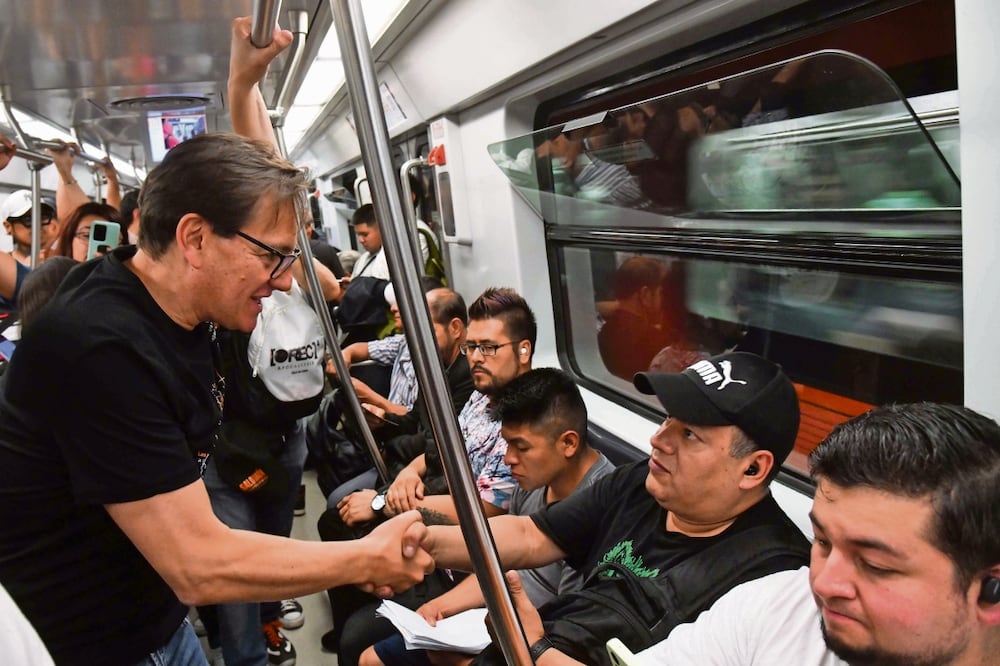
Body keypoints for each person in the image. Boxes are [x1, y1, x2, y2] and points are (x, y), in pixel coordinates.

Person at [0, 113, 431, 666]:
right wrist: (365, 558)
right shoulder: (100, 348)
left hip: (153, 616)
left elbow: (243, 199)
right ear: (195, 239)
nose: (283, 279)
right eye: (271, 257)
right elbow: (197, 564)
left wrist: (245, 90)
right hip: (91, 642)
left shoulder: (170, 297)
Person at [421, 351, 811, 665]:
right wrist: (423, 542)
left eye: (690, 434)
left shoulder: (773, 580)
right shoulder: (643, 483)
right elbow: (531, 535)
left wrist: (534, 650)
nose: (658, 439)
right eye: (668, 419)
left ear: (753, 468)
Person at [633, 401, 1000, 666]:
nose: (823, 584)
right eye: (823, 542)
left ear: (990, 591)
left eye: (875, 565)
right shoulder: (776, 608)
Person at [321, 287, 536, 663]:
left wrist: (382, 503)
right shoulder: (481, 396)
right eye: (472, 347)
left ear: (523, 350)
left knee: (356, 638)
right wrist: (410, 471)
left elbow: (486, 510)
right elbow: (447, 449)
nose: (476, 358)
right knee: (339, 526)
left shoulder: (527, 421)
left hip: (464, 555)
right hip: (435, 504)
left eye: (489, 348)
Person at [360, 368, 616, 666]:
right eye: (507, 444)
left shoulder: (602, 510)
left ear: (568, 443)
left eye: (521, 447)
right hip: (497, 616)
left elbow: (566, 629)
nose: (509, 459)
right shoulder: (535, 482)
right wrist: (441, 607)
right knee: (370, 659)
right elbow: (503, 566)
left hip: (540, 641)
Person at [597, 255, 676, 380]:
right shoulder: (659, 344)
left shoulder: (603, 333)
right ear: (645, 294)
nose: (666, 301)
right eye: (662, 293)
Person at [1, 190, 59, 267]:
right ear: (8, 226)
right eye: (28, 220)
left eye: (43, 217)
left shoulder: (64, 262)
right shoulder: (3, 267)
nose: (37, 224)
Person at [54, 200, 123, 261]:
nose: (100, 248)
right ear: (69, 239)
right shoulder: (54, 270)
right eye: (87, 236)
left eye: (113, 240)